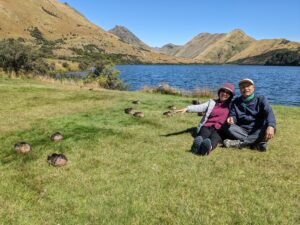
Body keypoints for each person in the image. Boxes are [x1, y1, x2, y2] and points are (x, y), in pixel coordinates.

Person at [176, 83, 235, 155]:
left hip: (220, 130)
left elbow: (236, 115)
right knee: (202, 135)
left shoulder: (232, 105)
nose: (224, 94)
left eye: (228, 93)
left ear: (230, 95)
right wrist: (187, 108)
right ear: (219, 92)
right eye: (223, 91)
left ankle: (207, 148)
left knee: (214, 138)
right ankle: (196, 146)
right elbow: (200, 107)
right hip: (207, 126)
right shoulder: (212, 102)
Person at [223, 78, 276, 151]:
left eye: (248, 86)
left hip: (258, 130)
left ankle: (239, 144)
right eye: (243, 87)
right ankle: (256, 144)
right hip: (242, 130)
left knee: (270, 126)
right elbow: (233, 115)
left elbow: (269, 112)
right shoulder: (236, 102)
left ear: (253, 88)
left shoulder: (261, 99)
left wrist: (271, 126)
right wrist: (231, 118)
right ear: (240, 89)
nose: (246, 88)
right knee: (225, 125)